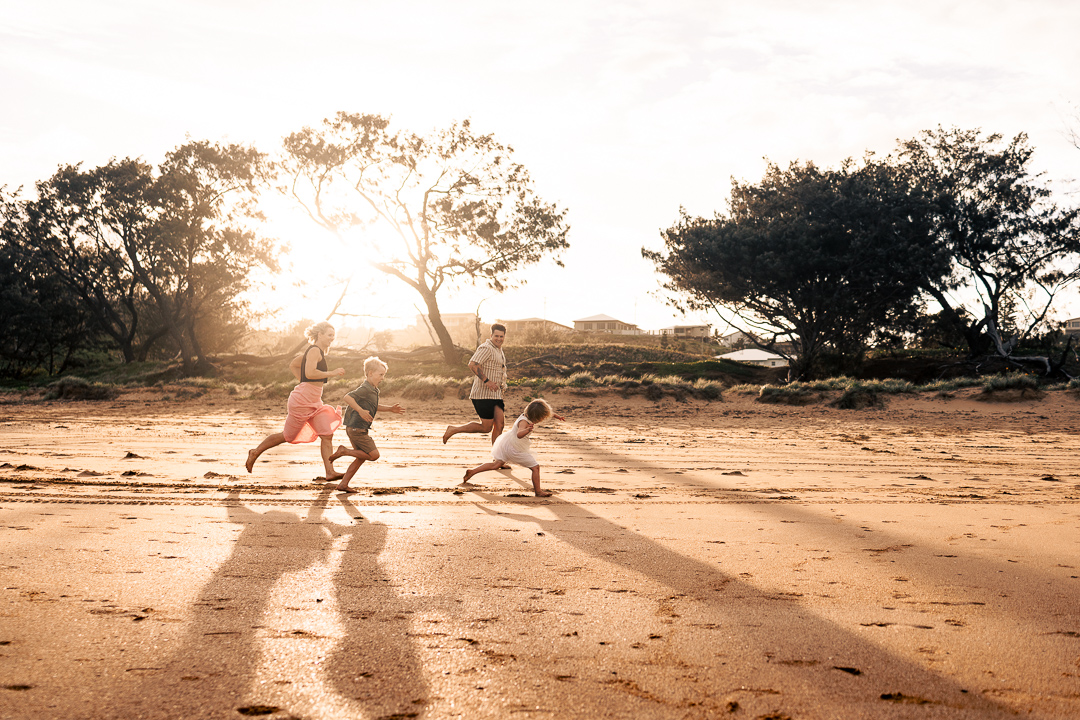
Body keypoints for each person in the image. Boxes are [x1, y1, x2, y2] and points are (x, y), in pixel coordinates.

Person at [245, 321, 346, 479]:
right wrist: (331, 373)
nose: (332, 338)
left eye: (333, 335)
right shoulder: (314, 350)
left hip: (313, 400)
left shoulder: (316, 351)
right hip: (302, 401)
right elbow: (310, 373)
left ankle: (330, 472)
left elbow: (294, 364)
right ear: (319, 334)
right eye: (329, 335)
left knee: (327, 435)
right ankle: (255, 452)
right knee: (287, 436)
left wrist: (304, 381)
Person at [327, 356, 404, 493]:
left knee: (361, 457)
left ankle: (343, 484)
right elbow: (347, 397)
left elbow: (374, 406)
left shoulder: (373, 389)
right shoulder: (365, 388)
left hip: (356, 428)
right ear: (370, 373)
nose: (382, 378)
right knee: (374, 455)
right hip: (357, 428)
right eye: (381, 375)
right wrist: (360, 410)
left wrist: (390, 409)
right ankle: (344, 451)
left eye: (384, 375)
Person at [461, 398, 565, 497]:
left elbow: (545, 412)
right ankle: (538, 492)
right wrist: (527, 430)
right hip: (514, 449)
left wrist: (557, 416)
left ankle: (472, 471)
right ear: (537, 417)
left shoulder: (526, 415)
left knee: (496, 464)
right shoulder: (524, 422)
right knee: (535, 467)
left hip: (508, 444)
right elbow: (519, 434)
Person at [443, 323, 508, 445]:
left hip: (496, 395)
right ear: (491, 335)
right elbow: (472, 364)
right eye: (496, 336)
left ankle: (497, 455)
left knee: (500, 425)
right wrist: (487, 381)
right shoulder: (486, 348)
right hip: (483, 395)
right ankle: (453, 429)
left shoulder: (498, 349)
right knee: (486, 427)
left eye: (501, 336)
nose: (499, 339)